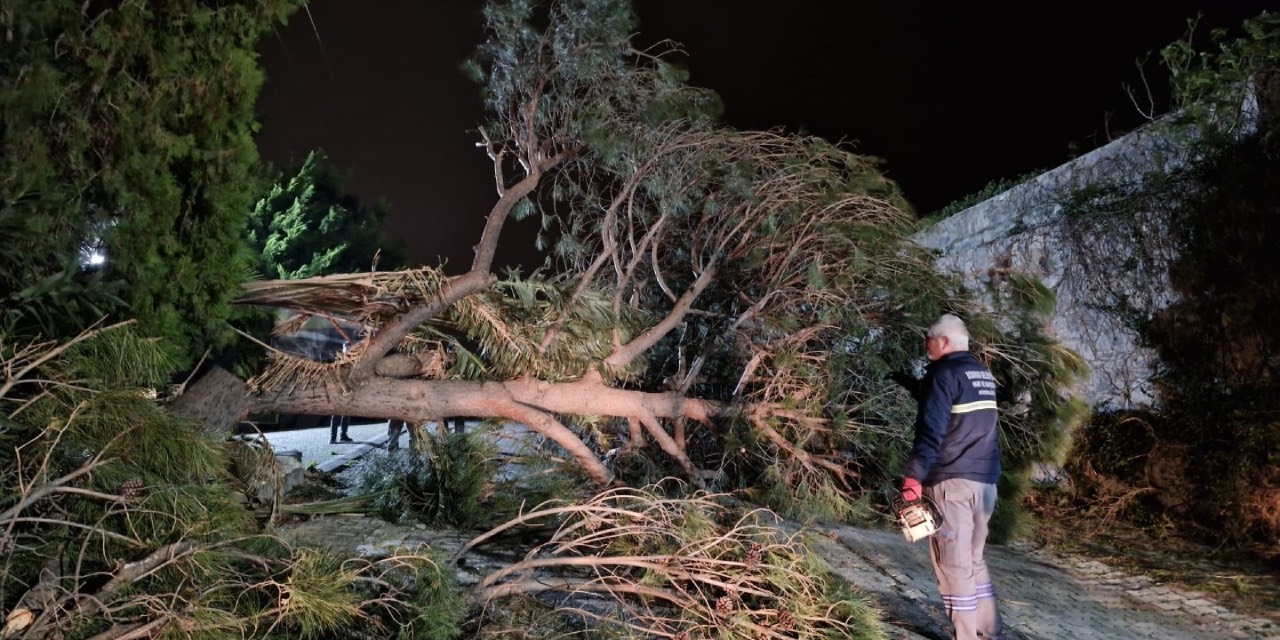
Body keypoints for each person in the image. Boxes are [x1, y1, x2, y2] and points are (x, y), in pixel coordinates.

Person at [897, 314, 1004, 640]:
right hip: (984, 483)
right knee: (973, 561)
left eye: (928, 339)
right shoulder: (980, 373)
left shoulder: (942, 374)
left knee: (954, 567)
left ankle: (966, 636)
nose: (925, 345)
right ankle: (990, 632)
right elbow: (957, 410)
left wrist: (913, 477)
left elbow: (932, 431)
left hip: (951, 483)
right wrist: (916, 387)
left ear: (943, 341)